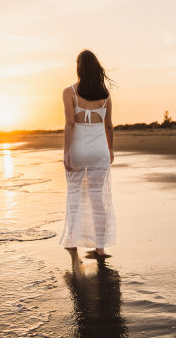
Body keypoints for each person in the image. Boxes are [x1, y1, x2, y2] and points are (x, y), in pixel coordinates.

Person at [60, 49, 116, 257]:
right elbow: (109, 126)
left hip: (79, 149)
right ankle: (100, 247)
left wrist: (66, 152)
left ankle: (72, 242)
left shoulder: (69, 92)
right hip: (99, 150)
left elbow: (70, 124)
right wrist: (110, 149)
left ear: (79, 69)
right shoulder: (105, 95)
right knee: (97, 198)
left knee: (74, 194)